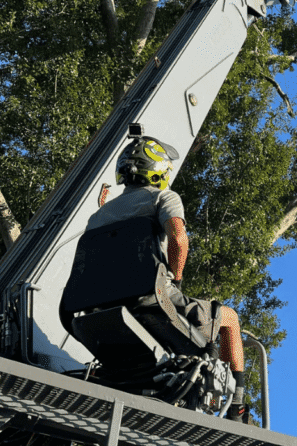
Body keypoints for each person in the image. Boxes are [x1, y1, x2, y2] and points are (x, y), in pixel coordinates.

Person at [83, 136, 248, 421]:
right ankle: (238, 408)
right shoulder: (163, 197)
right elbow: (179, 239)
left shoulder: (98, 216)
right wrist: (175, 277)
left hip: (99, 310)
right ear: (158, 169)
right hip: (150, 302)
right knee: (230, 319)